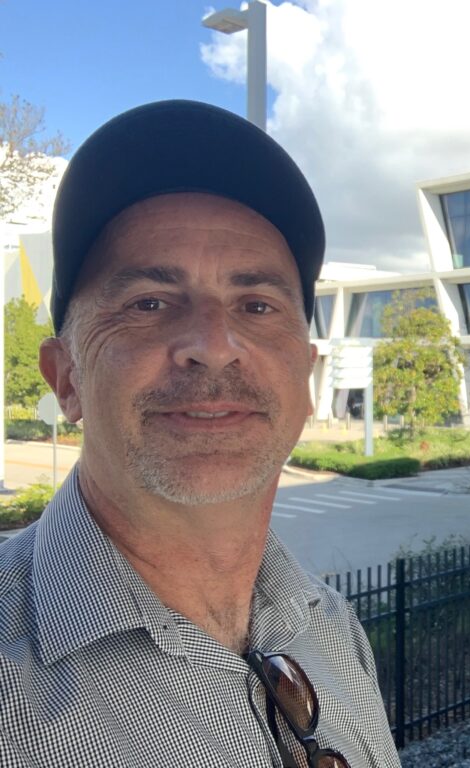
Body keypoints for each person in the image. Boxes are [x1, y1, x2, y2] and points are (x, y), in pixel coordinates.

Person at [0, 101, 401, 768]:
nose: (214, 346)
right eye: (148, 303)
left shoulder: (331, 625)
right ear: (64, 377)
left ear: (305, 374)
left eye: (256, 305)